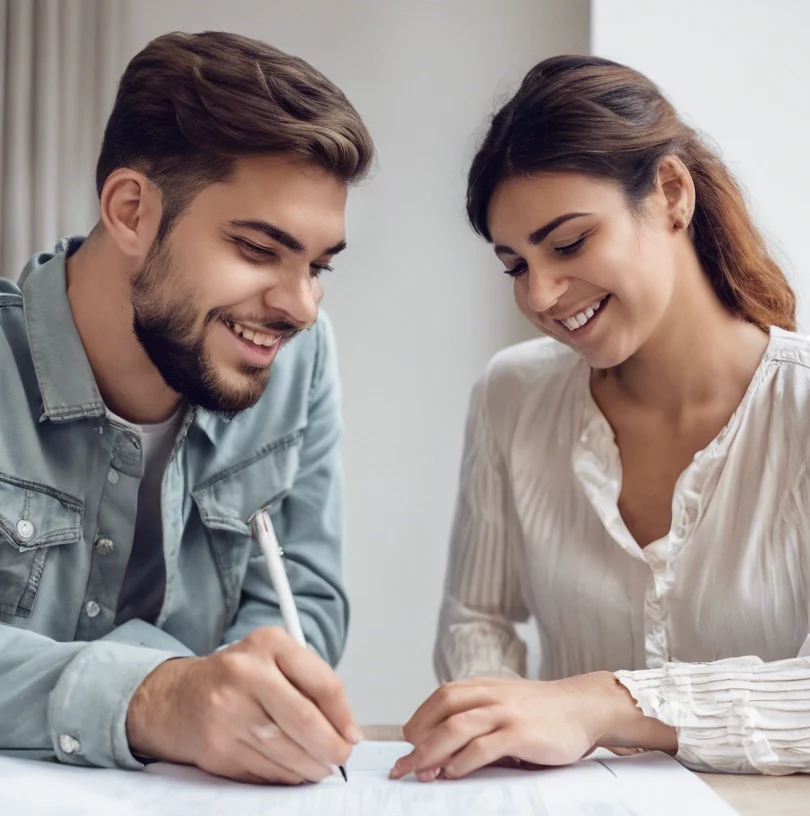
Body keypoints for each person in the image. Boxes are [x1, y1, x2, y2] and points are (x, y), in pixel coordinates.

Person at [391, 55, 810, 782]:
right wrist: (501, 728)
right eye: (516, 265)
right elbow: (475, 621)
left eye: (570, 242)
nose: (543, 294)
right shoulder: (511, 395)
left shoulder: (798, 408)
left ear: (672, 193)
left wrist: (604, 703)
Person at [0, 31, 373, 784]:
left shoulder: (302, 359)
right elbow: (175, 699)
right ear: (132, 211)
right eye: (260, 250)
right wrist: (156, 696)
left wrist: (264, 697)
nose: (301, 306)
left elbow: (304, 601)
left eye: (318, 265)